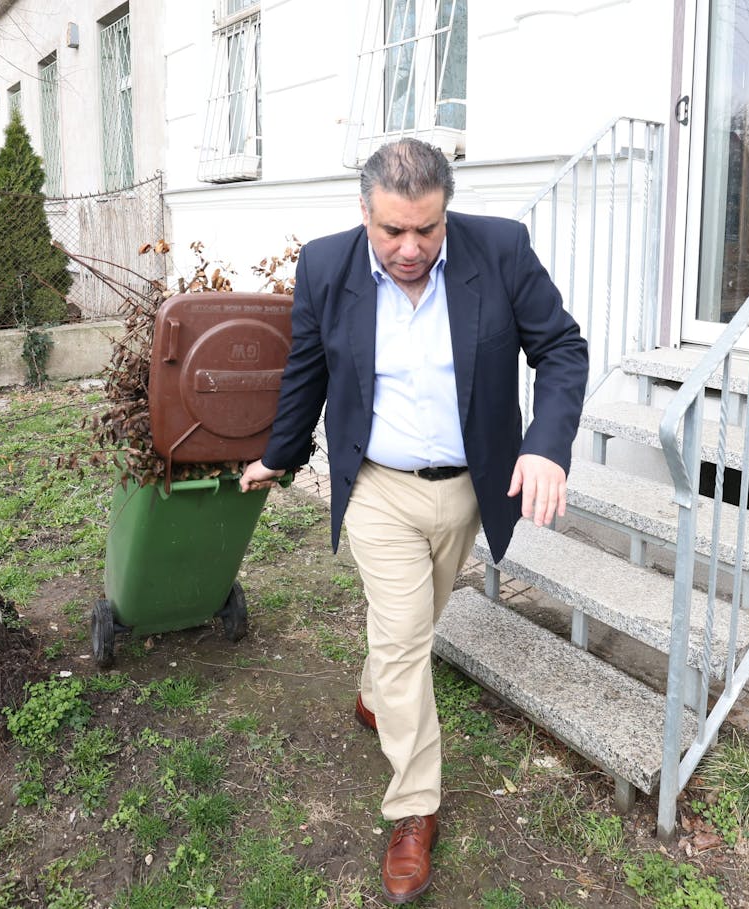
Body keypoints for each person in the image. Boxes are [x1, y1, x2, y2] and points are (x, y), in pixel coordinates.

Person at [239, 138, 588, 904]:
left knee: (412, 627)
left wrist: (547, 445)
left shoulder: (499, 252)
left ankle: (374, 693)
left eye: (426, 230)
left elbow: (561, 348)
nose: (410, 248)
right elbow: (308, 367)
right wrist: (280, 454)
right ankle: (414, 807)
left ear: (445, 212)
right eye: (393, 230)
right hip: (378, 487)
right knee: (403, 635)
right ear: (364, 213)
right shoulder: (327, 266)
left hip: (468, 487)